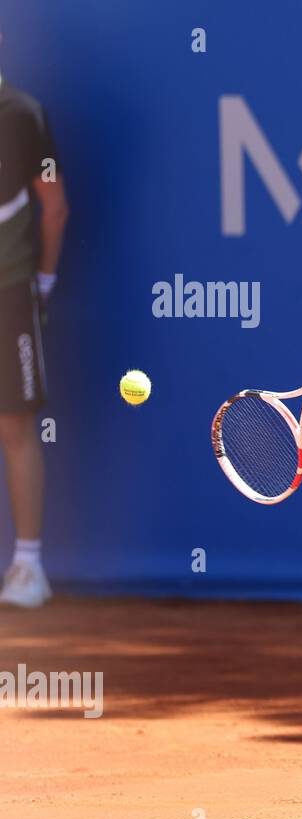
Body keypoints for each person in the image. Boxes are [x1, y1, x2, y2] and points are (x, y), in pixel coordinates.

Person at [0, 36, 66, 609]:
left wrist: (41, 283)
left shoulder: (22, 116)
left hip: (9, 291)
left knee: (16, 426)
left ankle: (28, 567)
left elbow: (54, 202)